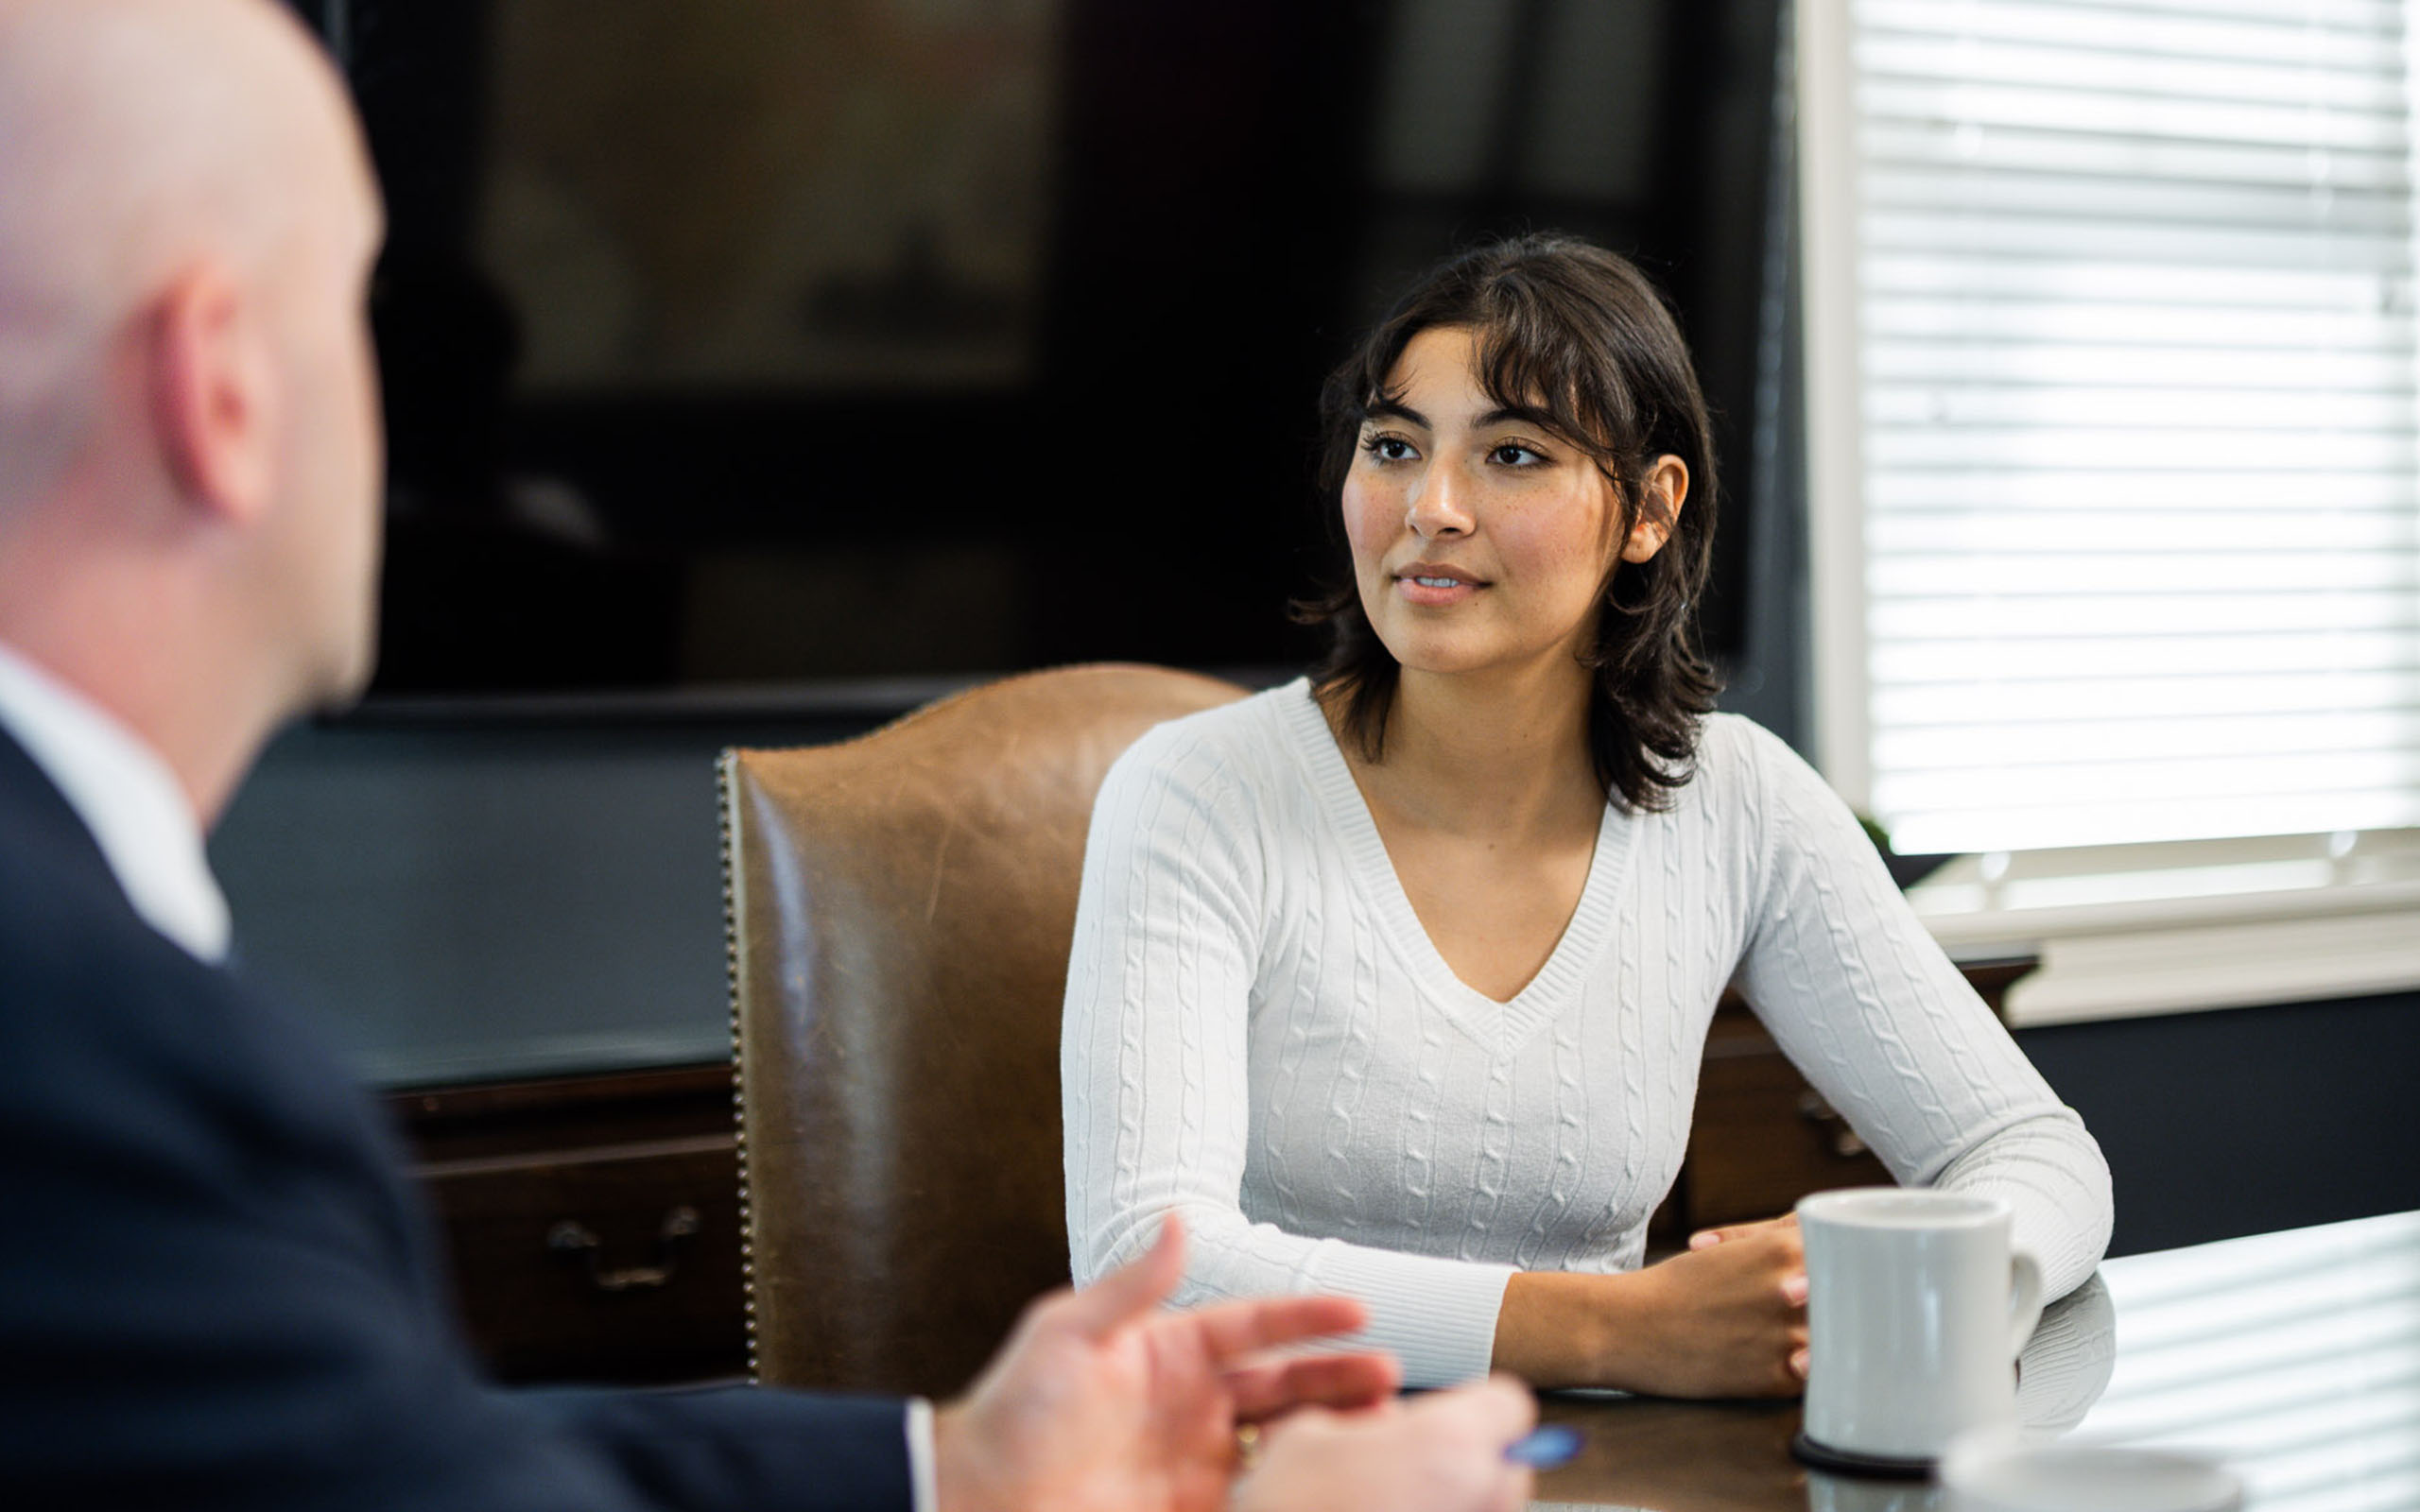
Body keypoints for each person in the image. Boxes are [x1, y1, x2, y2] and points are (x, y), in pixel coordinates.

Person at [0, 2, 1542, 1507]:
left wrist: (958, 1473)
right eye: (351, 307)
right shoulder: (89, 1055)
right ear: (223, 387)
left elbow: (412, 1460)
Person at [1062, 234, 2114, 1395]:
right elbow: (1144, 1268)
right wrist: (1622, 1330)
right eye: (1393, 447)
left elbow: (2033, 1154)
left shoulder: (1739, 799)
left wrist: (1875, 1289)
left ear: (1652, 509)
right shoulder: (1198, 792)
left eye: (1513, 452)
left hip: (1616, 1469)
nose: (1432, 507)